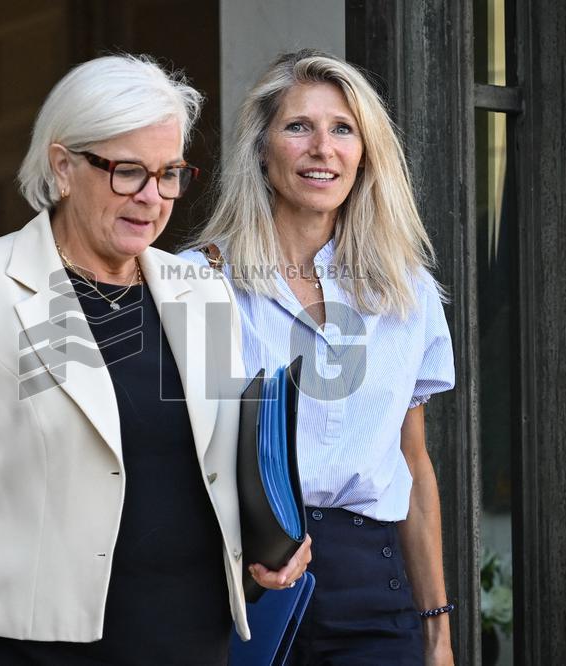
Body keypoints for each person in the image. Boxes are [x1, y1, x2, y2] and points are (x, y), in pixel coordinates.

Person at [0, 54, 310, 666]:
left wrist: (269, 544)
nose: (152, 198)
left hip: (188, 638)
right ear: (63, 167)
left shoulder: (201, 289)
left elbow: (221, 466)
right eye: (128, 172)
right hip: (31, 648)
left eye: (169, 174)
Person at [182, 49, 456, 665]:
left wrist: (437, 632)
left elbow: (413, 464)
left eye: (343, 129)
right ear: (261, 145)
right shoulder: (199, 281)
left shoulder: (404, 293)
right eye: (298, 126)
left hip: (371, 592)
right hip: (234, 587)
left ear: (365, 153)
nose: (321, 148)